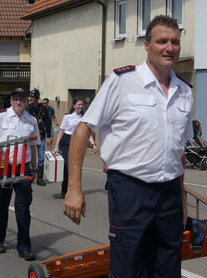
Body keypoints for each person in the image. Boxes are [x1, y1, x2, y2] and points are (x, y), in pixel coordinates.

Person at [64, 15, 193, 278]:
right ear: (147, 45)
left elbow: (177, 153)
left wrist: (181, 200)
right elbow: (81, 132)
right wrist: (74, 189)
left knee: (168, 269)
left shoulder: (184, 91)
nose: (169, 48)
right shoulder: (122, 81)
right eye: (162, 41)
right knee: (128, 269)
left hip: (169, 194)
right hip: (130, 189)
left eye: (175, 42)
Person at [0, 88, 40, 261]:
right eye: (16, 99)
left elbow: (33, 146)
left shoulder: (32, 120)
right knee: (1, 205)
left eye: (22, 99)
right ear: (11, 100)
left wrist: (35, 169)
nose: (19, 102)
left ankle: (24, 245)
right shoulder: (0, 117)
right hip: (2, 167)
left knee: (23, 208)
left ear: (27, 101)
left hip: (24, 168)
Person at [53, 98, 98, 198]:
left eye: (82, 105)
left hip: (77, 141)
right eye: (79, 104)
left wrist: (93, 144)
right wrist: (56, 146)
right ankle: (64, 189)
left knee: (75, 167)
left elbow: (87, 133)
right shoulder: (67, 117)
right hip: (66, 141)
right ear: (74, 106)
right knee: (67, 166)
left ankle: (73, 190)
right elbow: (61, 131)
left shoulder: (84, 118)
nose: (81, 106)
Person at [27, 88, 52, 186]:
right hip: (30, 137)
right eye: (30, 97)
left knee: (41, 158)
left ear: (37, 98)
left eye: (32, 97)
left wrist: (49, 136)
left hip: (40, 136)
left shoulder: (43, 109)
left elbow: (48, 123)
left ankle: (40, 178)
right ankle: (29, 175)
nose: (31, 98)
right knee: (29, 156)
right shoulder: (27, 108)